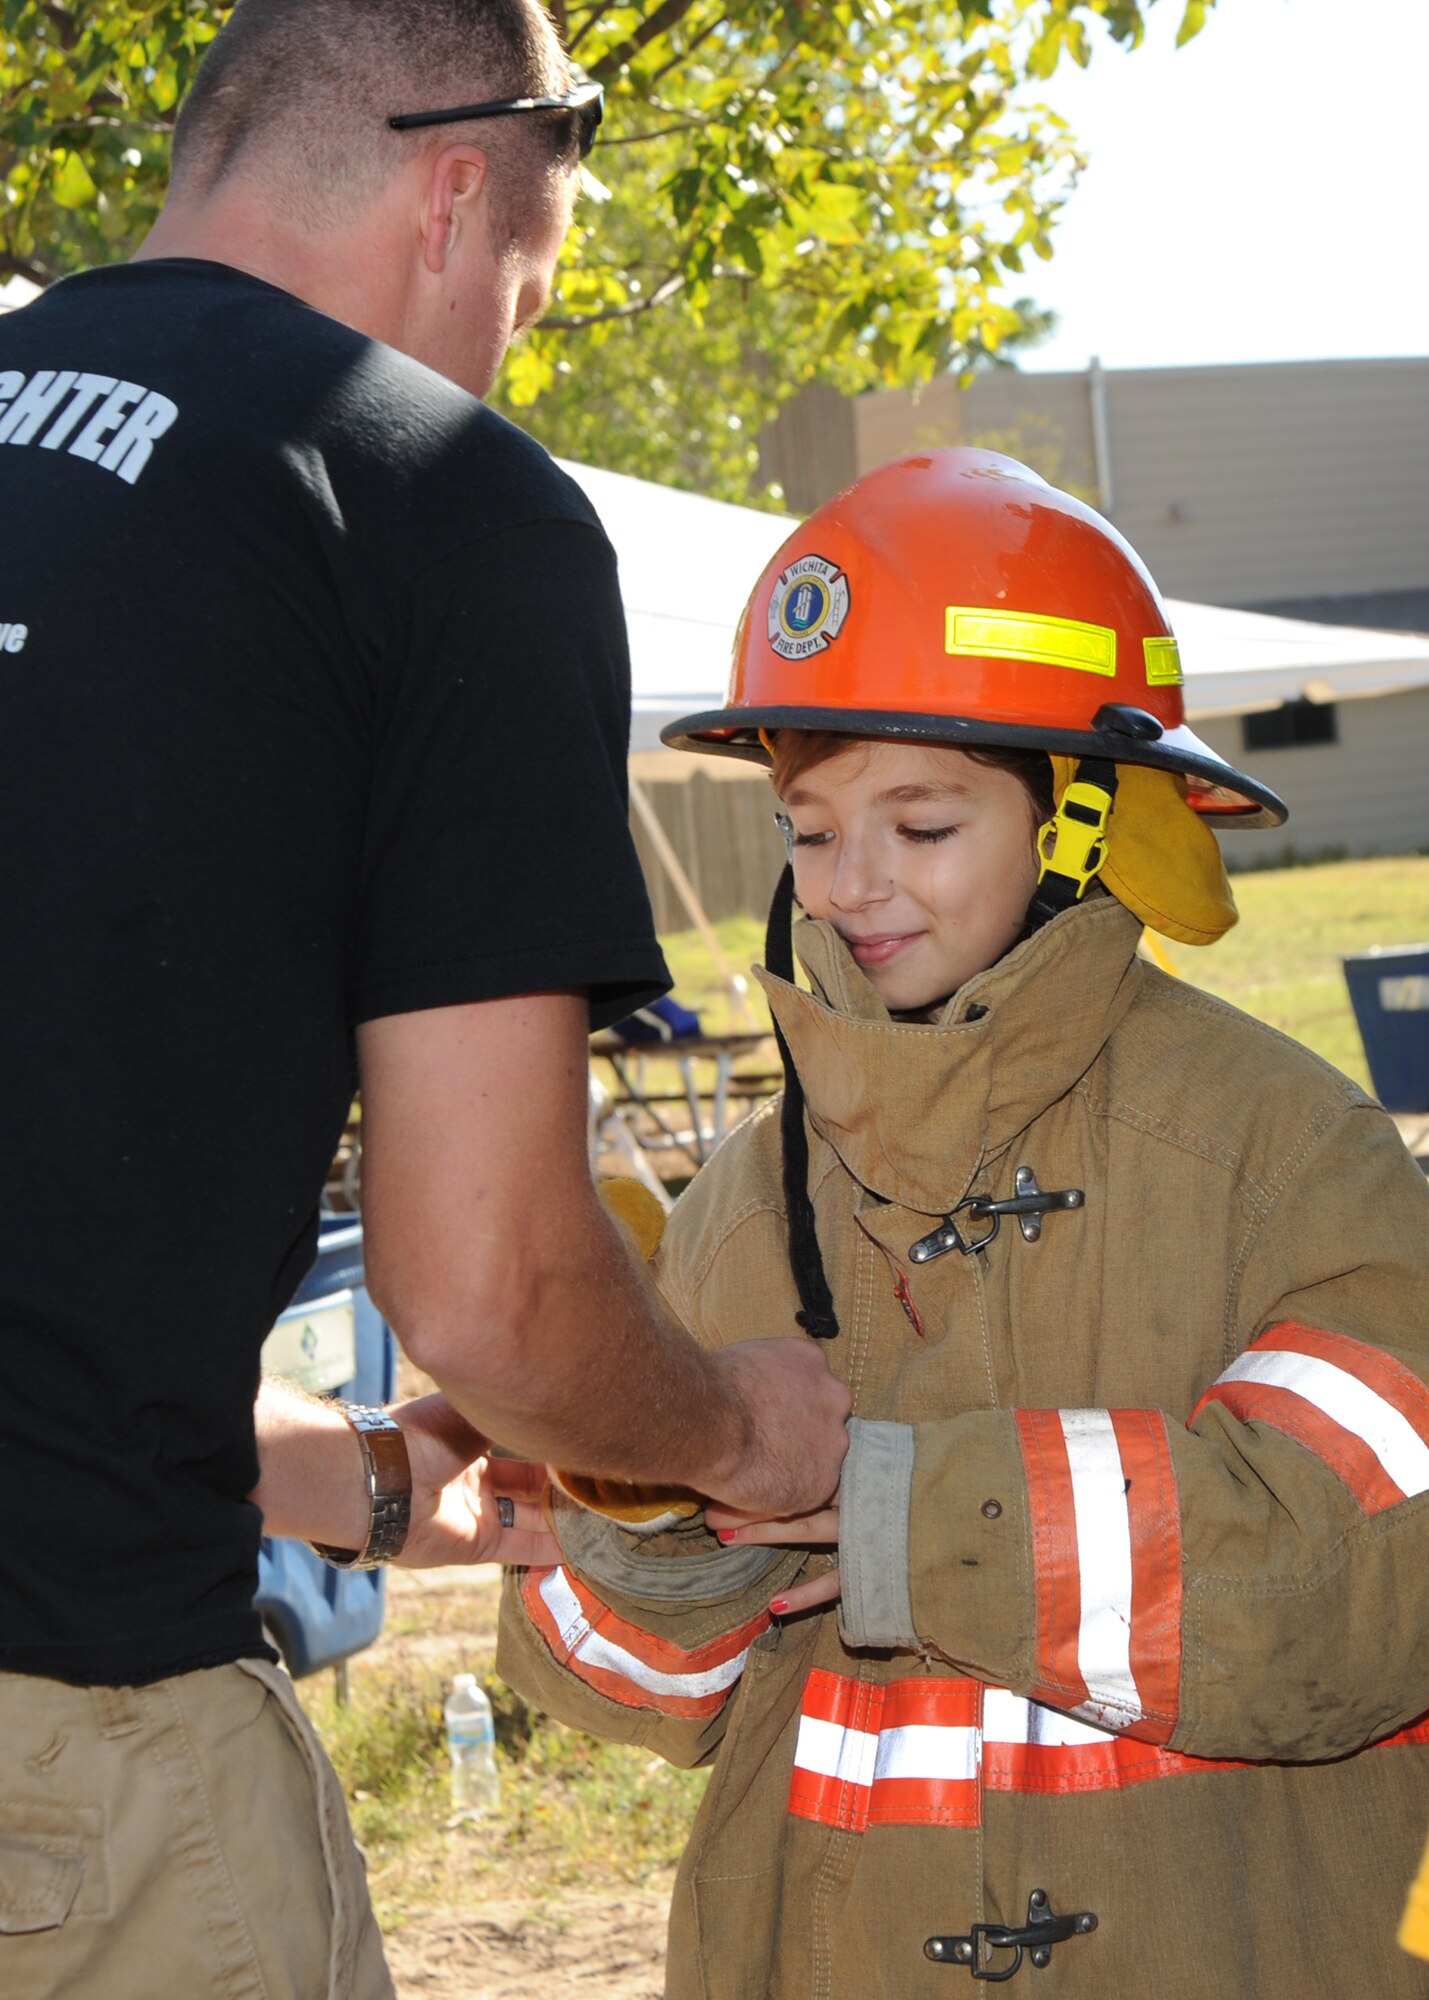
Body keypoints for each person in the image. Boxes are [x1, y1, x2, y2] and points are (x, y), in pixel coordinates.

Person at [0, 2, 849, 1992]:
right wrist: (732, 1428)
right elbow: (489, 1284)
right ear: (459, 199)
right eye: (532, 309)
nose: (505, 360)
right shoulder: (429, 492)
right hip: (72, 1754)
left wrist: (370, 1477)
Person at [499, 448, 1429, 1998]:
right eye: (809, 829)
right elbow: (640, 1695)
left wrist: (888, 1510)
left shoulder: (1284, 1153)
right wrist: (655, 1517)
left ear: (1079, 825)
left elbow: (1354, 1587)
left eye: (921, 827)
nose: (853, 886)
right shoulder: (741, 1196)